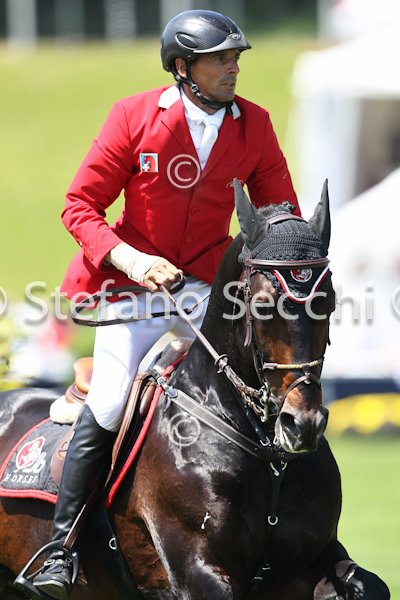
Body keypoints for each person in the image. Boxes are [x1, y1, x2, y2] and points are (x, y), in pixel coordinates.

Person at [31, 9, 300, 600]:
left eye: (236, 57)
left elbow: (280, 214)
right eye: (220, 59)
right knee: (109, 401)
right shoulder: (133, 116)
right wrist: (133, 261)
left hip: (207, 291)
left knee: (262, 388)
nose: (233, 67)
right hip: (131, 290)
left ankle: (286, 530)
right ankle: (60, 549)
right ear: (183, 67)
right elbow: (80, 206)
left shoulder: (254, 125)